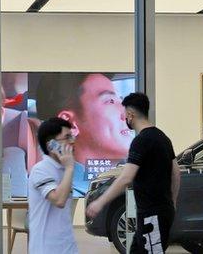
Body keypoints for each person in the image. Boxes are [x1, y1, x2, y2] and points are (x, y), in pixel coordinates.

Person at [86, 93, 180, 254]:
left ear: (130, 114)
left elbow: (126, 178)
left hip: (152, 215)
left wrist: (100, 202)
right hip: (158, 212)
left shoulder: (141, 141)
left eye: (124, 114)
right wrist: (172, 203)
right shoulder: (163, 138)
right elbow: (176, 173)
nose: (124, 118)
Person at [35, 73, 134, 195]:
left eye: (122, 100)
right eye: (110, 101)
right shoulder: (59, 192)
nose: (127, 114)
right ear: (69, 124)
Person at [27, 117, 78, 254]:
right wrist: (69, 169)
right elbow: (59, 200)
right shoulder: (41, 169)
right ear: (51, 145)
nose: (72, 141)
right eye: (67, 137)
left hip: (67, 247)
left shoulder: (63, 169)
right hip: (45, 248)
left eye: (72, 136)